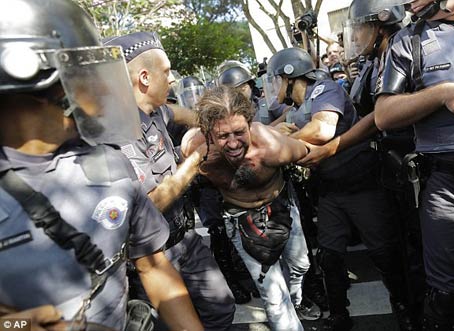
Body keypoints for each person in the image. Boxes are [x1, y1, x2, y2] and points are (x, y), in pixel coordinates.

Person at [0, 1, 203, 331]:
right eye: (84, 73)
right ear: (31, 76)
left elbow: (153, 268)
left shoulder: (108, 163)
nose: (103, 88)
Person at [267, 46, 415, 331]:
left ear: (290, 76)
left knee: (384, 252)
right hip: (330, 192)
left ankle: (404, 308)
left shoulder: (325, 89)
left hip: (361, 186)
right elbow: (270, 131)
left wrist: (287, 143)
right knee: (330, 255)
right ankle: (339, 314)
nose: (275, 87)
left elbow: (323, 129)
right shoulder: (296, 109)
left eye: (277, 79)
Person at [374, 0, 454, 329]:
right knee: (449, 300)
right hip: (447, 189)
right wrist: (442, 93)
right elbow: (384, 114)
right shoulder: (409, 40)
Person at [103, 32, 235, 331]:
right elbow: (151, 203)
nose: (173, 79)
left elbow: (183, 113)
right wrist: (194, 161)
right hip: (154, 257)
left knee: (221, 308)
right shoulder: (119, 130)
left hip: (186, 239)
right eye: (166, 72)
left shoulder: (156, 111)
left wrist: (211, 124)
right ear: (145, 78)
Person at [182, 85, 311, 331]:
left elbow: (309, 151)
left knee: (300, 266)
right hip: (240, 219)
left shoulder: (271, 147)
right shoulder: (196, 152)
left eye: (239, 132)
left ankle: (294, 306)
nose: (232, 144)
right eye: (223, 136)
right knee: (275, 298)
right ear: (208, 133)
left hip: (281, 206)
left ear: (249, 123)